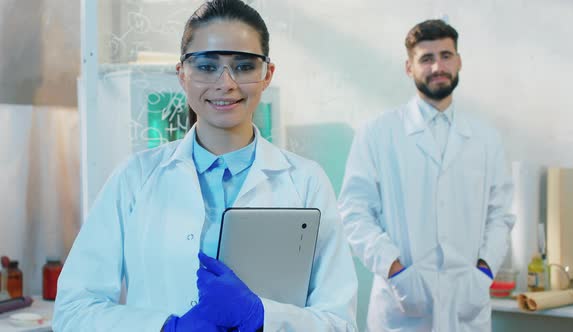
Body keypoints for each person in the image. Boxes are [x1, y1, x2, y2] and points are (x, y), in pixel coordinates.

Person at [53, 0, 358, 331]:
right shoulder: (135, 178)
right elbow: (73, 311)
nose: (225, 83)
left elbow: (340, 322)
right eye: (206, 66)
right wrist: (168, 328)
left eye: (243, 66)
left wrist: (262, 317)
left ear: (267, 74)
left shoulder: (306, 181)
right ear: (182, 74)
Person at [338, 19, 515, 331]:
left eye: (446, 56)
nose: (438, 67)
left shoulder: (486, 138)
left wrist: (483, 272)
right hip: (401, 307)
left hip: (467, 306)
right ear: (409, 68)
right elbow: (354, 213)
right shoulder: (377, 133)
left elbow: (499, 215)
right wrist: (395, 271)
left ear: (458, 61)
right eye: (426, 59)